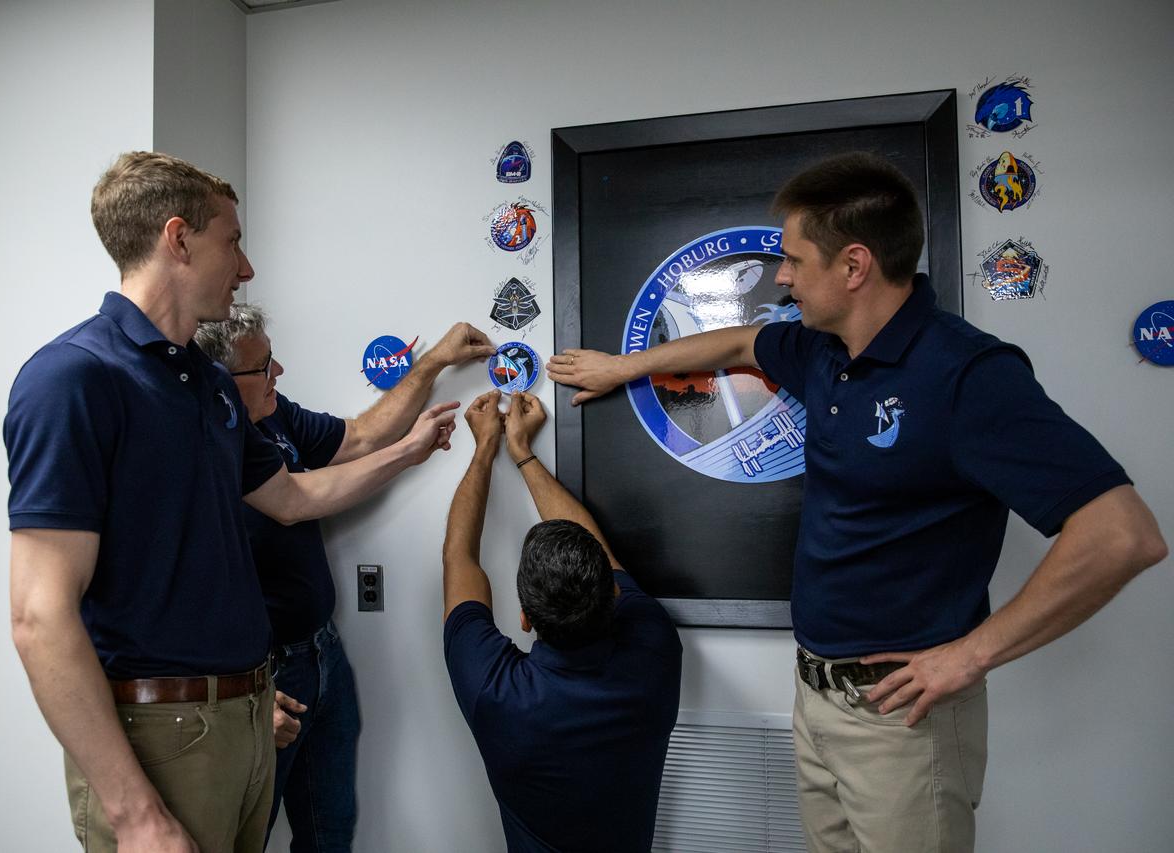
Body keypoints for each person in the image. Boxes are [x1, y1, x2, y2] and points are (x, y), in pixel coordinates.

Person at [546, 152, 1167, 853]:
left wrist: (969, 656)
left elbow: (1122, 534)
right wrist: (624, 365)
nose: (780, 276)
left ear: (854, 266)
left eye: (794, 260)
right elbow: (746, 338)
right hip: (815, 696)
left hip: (903, 721)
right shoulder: (822, 349)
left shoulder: (965, 375)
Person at [4, 151, 459, 853]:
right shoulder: (72, 379)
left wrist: (409, 450)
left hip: (249, 711)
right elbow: (39, 614)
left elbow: (290, 495)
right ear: (178, 238)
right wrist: (135, 815)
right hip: (162, 731)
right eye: (233, 241)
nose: (244, 268)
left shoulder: (209, 387)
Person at [194, 305, 493, 851]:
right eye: (262, 366)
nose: (278, 372)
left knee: (329, 833)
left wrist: (431, 364)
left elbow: (357, 439)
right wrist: (410, 452)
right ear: (219, 380)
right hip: (262, 675)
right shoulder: (206, 444)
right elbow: (294, 502)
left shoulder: (271, 415)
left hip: (320, 652)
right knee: (244, 836)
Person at [442, 390, 683, 853]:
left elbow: (459, 558)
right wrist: (524, 455)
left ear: (525, 619)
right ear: (613, 595)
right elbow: (601, 554)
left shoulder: (497, 693)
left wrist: (485, 450)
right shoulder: (654, 650)